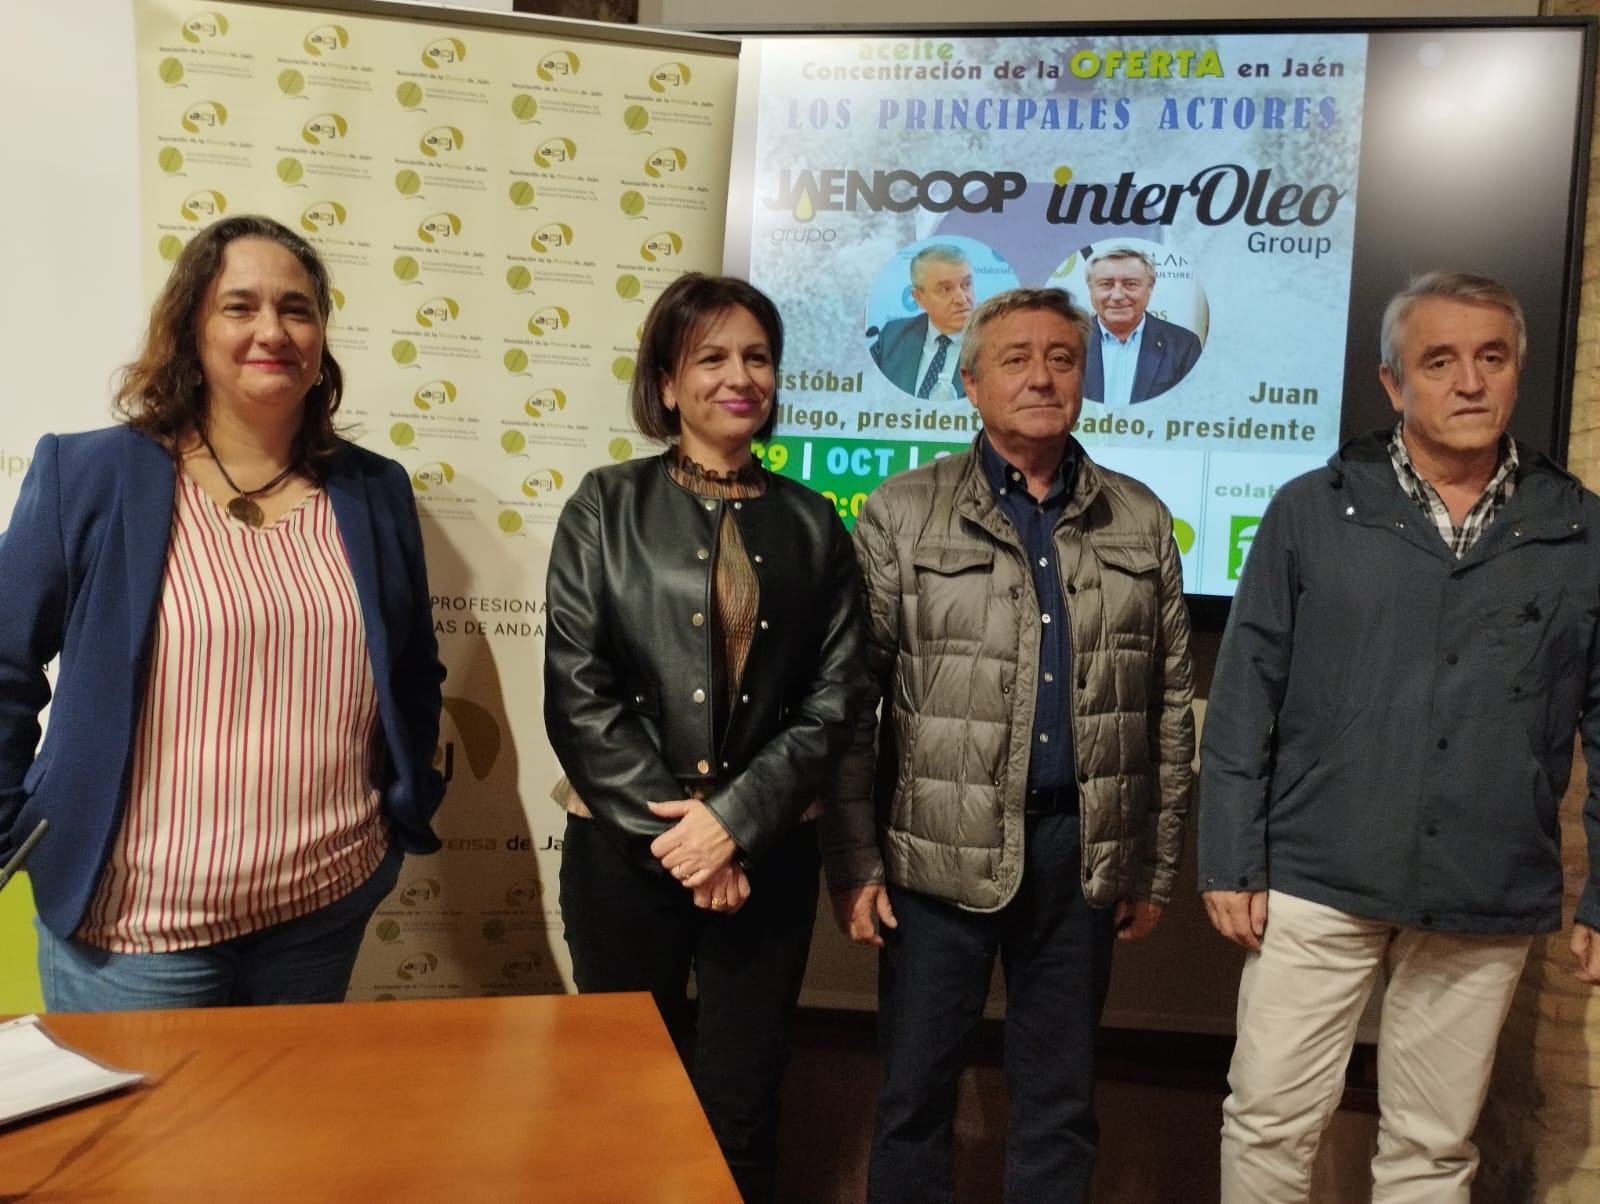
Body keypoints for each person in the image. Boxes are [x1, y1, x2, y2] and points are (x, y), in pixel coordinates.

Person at [1199, 271, 1600, 1202]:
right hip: (1315, 877)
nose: (1469, 382)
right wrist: (1228, 858)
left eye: (1490, 358)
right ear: (1393, 383)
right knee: (1267, 1122)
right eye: (1440, 360)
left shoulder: (1578, 530)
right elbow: (1245, 690)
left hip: (1484, 881)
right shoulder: (1312, 510)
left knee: (1432, 1148)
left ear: (1517, 371)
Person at [0, 214, 445, 1011]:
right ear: (190, 330)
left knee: (288, 1137)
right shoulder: (90, 476)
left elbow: (411, 667)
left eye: (297, 308)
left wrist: (401, 818)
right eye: (239, 306)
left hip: (322, 906)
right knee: (141, 1141)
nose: (271, 329)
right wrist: (19, 824)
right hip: (134, 931)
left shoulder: (374, 492)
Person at [825, 286, 1196, 1203]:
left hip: (1082, 856)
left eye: (1063, 359)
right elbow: (850, 701)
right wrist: (854, 861)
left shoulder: (1141, 520)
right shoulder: (899, 513)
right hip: (932, 856)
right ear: (972, 383)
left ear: (1084, 378)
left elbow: (1169, 707)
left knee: (1061, 1105)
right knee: (913, 1098)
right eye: (1017, 358)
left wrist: (1153, 865)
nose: (1042, 376)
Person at [543, 273, 866, 1204]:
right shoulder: (605, 505)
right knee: (617, 1090)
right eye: (712, 357)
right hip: (625, 850)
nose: (740, 377)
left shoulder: (814, 523)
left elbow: (835, 697)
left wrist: (735, 822)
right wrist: (689, 843)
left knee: (743, 1103)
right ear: (668, 381)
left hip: (767, 854)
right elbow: (578, 688)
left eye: (757, 357)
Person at [1081, 245, 1202, 405]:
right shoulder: (1067, 340)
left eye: (1130, 284)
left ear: (1150, 288)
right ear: (1091, 289)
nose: (1117, 296)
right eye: (1106, 284)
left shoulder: (1184, 345)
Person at [870, 244, 974, 400]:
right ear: (919, 298)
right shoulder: (892, 336)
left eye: (966, 285)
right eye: (946, 289)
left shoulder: (995, 343)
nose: (961, 298)